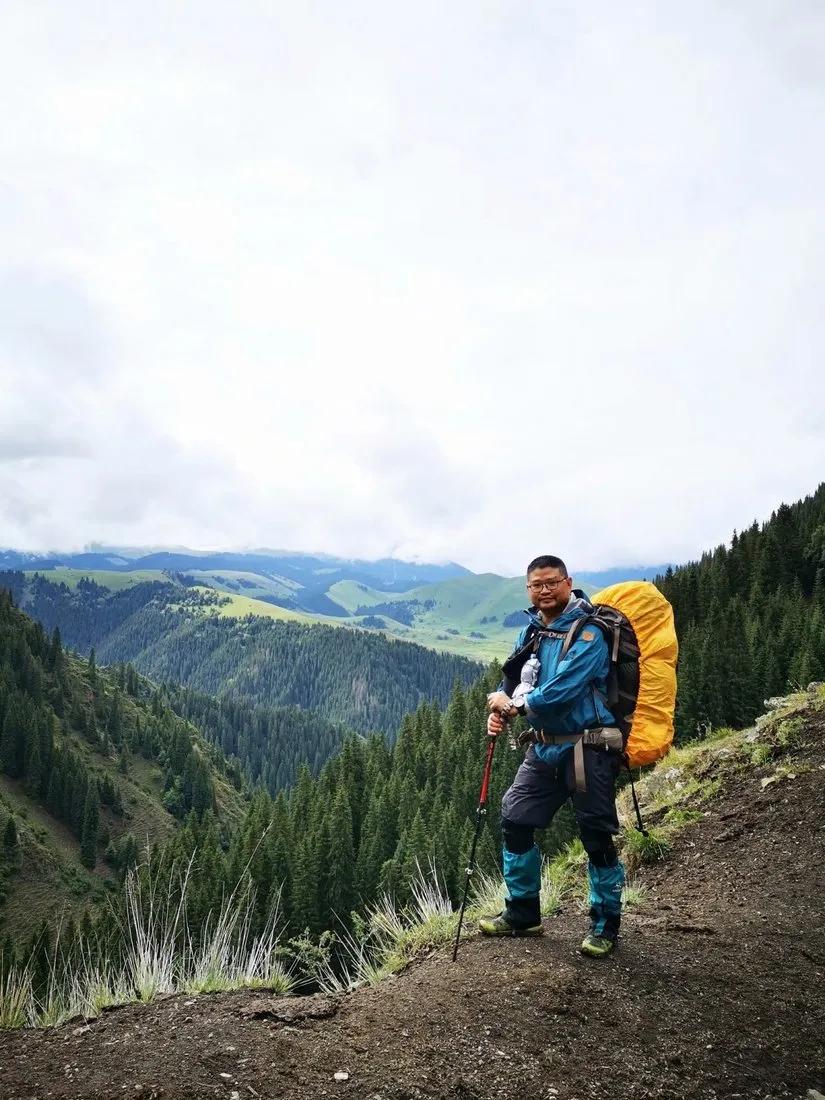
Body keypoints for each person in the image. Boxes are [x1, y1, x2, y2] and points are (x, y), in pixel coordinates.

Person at [479, 554, 626, 958]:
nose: (543, 590)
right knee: (515, 818)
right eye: (536, 585)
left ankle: (604, 924)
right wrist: (501, 708)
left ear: (568, 582)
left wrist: (515, 708)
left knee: (596, 834)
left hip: (587, 746)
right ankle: (523, 913)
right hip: (544, 745)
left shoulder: (590, 632)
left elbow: (565, 688)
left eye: (551, 583)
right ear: (528, 588)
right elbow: (514, 676)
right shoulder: (533, 630)